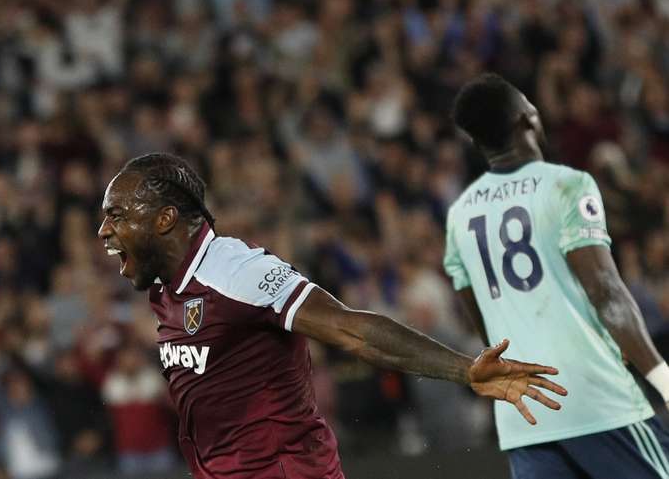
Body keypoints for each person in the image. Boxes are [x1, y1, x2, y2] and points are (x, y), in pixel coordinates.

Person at [97, 152, 567, 479]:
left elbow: (352, 330)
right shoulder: (166, 290)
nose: (103, 231)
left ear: (163, 219)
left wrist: (464, 369)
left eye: (116, 215)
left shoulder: (234, 272)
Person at [445, 73, 669, 479]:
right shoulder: (567, 185)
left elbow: (480, 320)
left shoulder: (460, 214)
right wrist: (662, 376)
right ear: (526, 119)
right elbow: (606, 291)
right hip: (595, 398)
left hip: (523, 414)